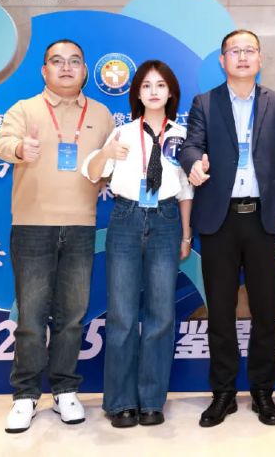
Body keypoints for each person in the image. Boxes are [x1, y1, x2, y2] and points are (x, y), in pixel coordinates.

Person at [178, 29, 275, 427]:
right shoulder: (205, 102)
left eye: (249, 50)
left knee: (266, 310)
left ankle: (263, 391)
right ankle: (224, 392)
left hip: (264, 220)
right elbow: (190, 145)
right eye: (235, 51)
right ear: (223, 60)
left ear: (260, 59)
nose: (243, 57)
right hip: (220, 220)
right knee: (220, 310)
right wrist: (193, 163)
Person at [0, 39, 114, 433]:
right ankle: (25, 395)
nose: (66, 67)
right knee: (30, 317)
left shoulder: (101, 114)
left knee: (72, 316)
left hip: (81, 226)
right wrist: (18, 148)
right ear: (44, 70)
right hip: (32, 226)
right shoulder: (25, 109)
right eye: (57, 61)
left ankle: (65, 389)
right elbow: (1, 144)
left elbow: (110, 165)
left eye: (74, 61)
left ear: (84, 70)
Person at [81, 60, 193, 428]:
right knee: (123, 315)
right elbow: (93, 174)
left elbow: (186, 190)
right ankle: (120, 402)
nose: (154, 91)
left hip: (166, 220)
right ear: (137, 94)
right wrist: (105, 155)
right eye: (146, 86)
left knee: (161, 315)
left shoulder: (183, 135)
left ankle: (152, 401)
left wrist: (186, 234)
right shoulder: (122, 132)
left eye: (160, 85)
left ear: (171, 92)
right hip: (126, 219)